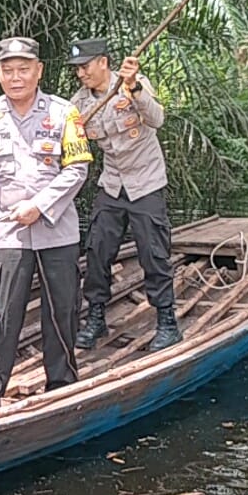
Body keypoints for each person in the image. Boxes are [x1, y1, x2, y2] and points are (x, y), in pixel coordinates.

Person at [0, 36, 93, 412]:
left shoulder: (65, 113)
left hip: (57, 230)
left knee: (61, 312)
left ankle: (61, 385)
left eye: (24, 69)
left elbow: (78, 168)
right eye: (9, 70)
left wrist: (40, 205)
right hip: (8, 233)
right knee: (5, 312)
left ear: (39, 71)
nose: (17, 78)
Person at [66, 37, 180, 352]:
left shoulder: (134, 83)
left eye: (85, 66)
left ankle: (167, 321)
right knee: (98, 249)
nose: (81, 74)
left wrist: (134, 89)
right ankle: (97, 317)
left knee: (153, 252)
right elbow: (68, 144)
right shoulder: (78, 104)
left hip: (145, 182)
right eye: (77, 69)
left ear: (103, 62)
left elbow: (157, 119)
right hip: (112, 183)